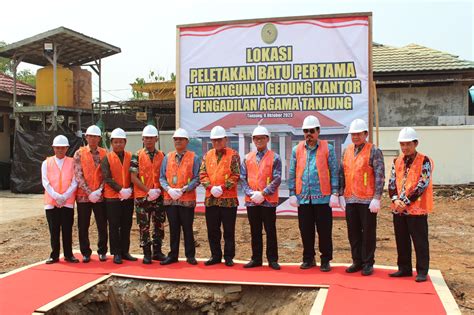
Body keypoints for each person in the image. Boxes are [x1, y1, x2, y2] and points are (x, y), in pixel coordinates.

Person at [288, 115, 339, 272]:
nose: (308, 134)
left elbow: (334, 171)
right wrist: (291, 193)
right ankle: (308, 258)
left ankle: (325, 260)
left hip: (323, 198)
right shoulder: (297, 150)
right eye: (306, 131)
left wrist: (335, 192)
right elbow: (292, 172)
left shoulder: (327, 148)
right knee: (306, 230)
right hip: (303, 199)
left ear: (318, 131)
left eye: (311, 131)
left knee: (324, 231)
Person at [339, 119, 385, 276]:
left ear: (365, 134)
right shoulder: (346, 151)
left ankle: (367, 263)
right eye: (353, 134)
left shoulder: (374, 151)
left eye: (358, 134)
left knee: (368, 233)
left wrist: (377, 197)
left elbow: (379, 175)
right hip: (350, 199)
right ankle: (356, 261)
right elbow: (342, 174)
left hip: (367, 201)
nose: (356, 136)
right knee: (353, 232)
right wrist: (339, 194)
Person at [388, 127, 434, 282]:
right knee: (401, 241)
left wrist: (405, 202)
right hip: (398, 209)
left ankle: (422, 271)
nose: (405, 147)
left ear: (416, 143)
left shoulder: (424, 161)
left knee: (420, 241)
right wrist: (395, 200)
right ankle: (404, 268)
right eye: (402, 144)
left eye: (408, 144)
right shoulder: (397, 161)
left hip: (416, 210)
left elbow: (423, 183)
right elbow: (392, 182)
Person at [240, 125, 282, 270]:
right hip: (252, 201)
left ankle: (272, 259)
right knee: (255, 231)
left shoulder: (275, 157)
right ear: (252, 140)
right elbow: (243, 178)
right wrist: (252, 194)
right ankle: (256, 258)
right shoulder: (247, 158)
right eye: (256, 138)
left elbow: (277, 179)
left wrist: (263, 193)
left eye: (261, 138)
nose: (259, 141)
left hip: (268, 201)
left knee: (270, 230)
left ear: (267, 139)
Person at [200, 126, 240, 267]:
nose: (217, 142)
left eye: (219, 140)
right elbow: (202, 174)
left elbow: (236, 175)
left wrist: (222, 187)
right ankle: (215, 255)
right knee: (213, 230)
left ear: (225, 139)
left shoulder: (233, 155)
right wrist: (211, 188)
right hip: (211, 200)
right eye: (214, 140)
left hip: (228, 201)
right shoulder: (207, 155)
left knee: (229, 230)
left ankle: (229, 256)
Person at [159, 128, 201, 265]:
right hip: (171, 200)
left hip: (186, 199)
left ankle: (190, 255)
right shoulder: (167, 157)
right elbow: (162, 178)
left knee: (187, 228)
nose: (178, 141)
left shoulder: (194, 158)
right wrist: (168, 189)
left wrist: (185, 189)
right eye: (176, 139)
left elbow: (197, 177)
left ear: (186, 141)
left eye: (181, 139)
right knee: (173, 228)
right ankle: (173, 255)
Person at [130, 125, 166, 264]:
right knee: (144, 225)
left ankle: (157, 251)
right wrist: (147, 190)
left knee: (159, 223)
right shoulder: (137, 155)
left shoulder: (162, 155)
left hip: (158, 196)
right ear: (142, 139)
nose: (149, 140)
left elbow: (164, 175)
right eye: (146, 138)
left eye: (151, 138)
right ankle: (146, 252)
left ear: (156, 139)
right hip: (142, 197)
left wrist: (157, 191)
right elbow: (133, 177)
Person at [101, 128, 137, 264]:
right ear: (111, 143)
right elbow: (107, 177)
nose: (118, 145)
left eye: (120, 142)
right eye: (115, 142)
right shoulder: (107, 158)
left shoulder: (131, 157)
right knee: (114, 226)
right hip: (112, 198)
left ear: (125, 142)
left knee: (127, 224)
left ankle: (125, 251)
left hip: (128, 197)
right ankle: (116, 252)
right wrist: (120, 190)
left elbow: (135, 175)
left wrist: (129, 190)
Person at [74, 125, 108, 263]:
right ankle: (86, 252)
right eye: (90, 136)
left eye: (96, 136)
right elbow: (78, 175)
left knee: (102, 224)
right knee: (83, 225)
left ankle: (102, 251)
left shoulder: (105, 153)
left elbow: (107, 174)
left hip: (100, 196)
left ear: (99, 138)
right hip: (83, 196)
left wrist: (99, 190)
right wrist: (89, 192)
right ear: (86, 137)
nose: (93, 139)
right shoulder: (79, 153)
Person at [42, 135, 78, 264]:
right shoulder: (46, 163)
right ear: (53, 148)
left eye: (63, 148)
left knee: (67, 229)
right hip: (51, 202)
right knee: (54, 230)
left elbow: (75, 181)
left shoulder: (72, 162)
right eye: (57, 148)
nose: (60, 150)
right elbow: (45, 182)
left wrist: (65, 196)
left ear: (67, 148)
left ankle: (68, 254)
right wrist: (56, 196)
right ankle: (54, 255)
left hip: (67, 202)